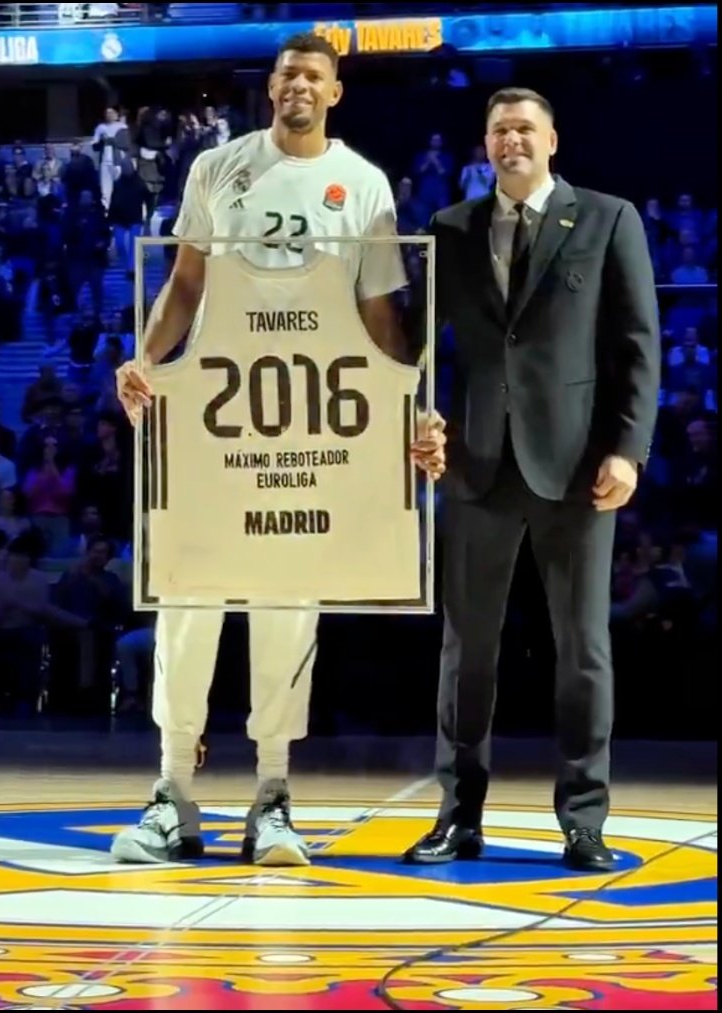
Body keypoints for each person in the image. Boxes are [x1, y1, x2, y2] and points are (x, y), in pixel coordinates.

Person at [111, 32, 444, 867]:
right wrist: (146, 364)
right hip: (219, 418)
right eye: (287, 74)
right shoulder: (218, 169)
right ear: (270, 87)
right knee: (187, 601)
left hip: (308, 423)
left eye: (314, 77)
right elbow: (184, 282)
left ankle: (272, 795)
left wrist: (406, 406)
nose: (298, 85)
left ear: (335, 94)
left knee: (288, 607)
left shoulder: (363, 184)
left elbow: (379, 313)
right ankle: (171, 796)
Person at [405, 87, 659, 872]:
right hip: (477, 465)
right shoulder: (451, 227)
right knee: (465, 652)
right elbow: (412, 345)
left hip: (580, 467)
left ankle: (584, 819)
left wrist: (629, 449)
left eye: (524, 128)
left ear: (553, 139)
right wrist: (422, 417)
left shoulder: (610, 218)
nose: (510, 140)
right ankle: (458, 814)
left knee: (582, 650)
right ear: (484, 145)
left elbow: (636, 343)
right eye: (497, 130)